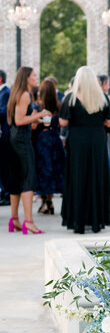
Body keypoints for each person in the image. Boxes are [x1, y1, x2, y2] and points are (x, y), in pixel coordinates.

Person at [59, 66, 110, 233]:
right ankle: (96, 220)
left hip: (77, 140)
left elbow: (62, 122)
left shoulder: (70, 97)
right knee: (96, 176)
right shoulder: (102, 97)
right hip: (97, 139)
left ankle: (78, 221)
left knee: (78, 177)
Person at [7, 66, 50, 234]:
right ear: (26, 78)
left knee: (18, 179)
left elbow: (21, 120)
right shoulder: (24, 94)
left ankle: (14, 220)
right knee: (28, 178)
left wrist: (34, 119)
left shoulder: (16, 93)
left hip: (15, 138)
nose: (36, 77)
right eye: (34, 75)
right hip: (22, 142)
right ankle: (28, 222)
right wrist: (40, 115)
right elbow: (19, 120)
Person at [33, 79, 64, 214]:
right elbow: (62, 124)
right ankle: (49, 201)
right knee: (53, 169)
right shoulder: (59, 106)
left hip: (42, 140)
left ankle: (44, 201)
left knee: (43, 169)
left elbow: (33, 125)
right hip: (55, 139)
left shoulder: (37, 106)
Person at [0, 70, 11, 206]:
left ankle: (6, 194)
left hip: (4, 134)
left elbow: (3, 111)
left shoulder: (6, 93)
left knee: (4, 166)